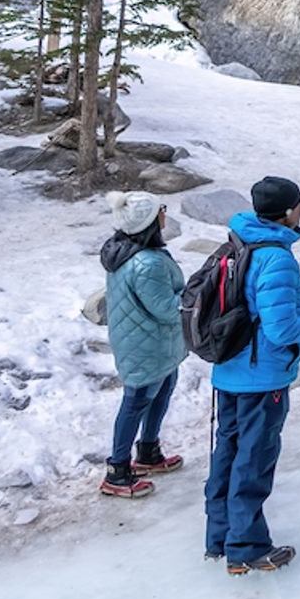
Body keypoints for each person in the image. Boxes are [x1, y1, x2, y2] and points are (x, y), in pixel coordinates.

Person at [203, 175, 300, 574]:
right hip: (261, 376)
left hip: (229, 371)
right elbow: (281, 329)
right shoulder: (276, 257)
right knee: (253, 458)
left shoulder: (235, 244)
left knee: (228, 453)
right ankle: (247, 546)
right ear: (289, 211)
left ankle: (219, 536)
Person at [98, 192, 187, 499]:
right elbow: (165, 307)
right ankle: (117, 470)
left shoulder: (129, 251)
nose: (166, 213)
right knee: (136, 400)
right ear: (150, 221)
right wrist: (195, 301)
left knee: (163, 389)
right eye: (161, 209)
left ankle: (148, 452)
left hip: (151, 341)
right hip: (146, 344)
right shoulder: (146, 263)